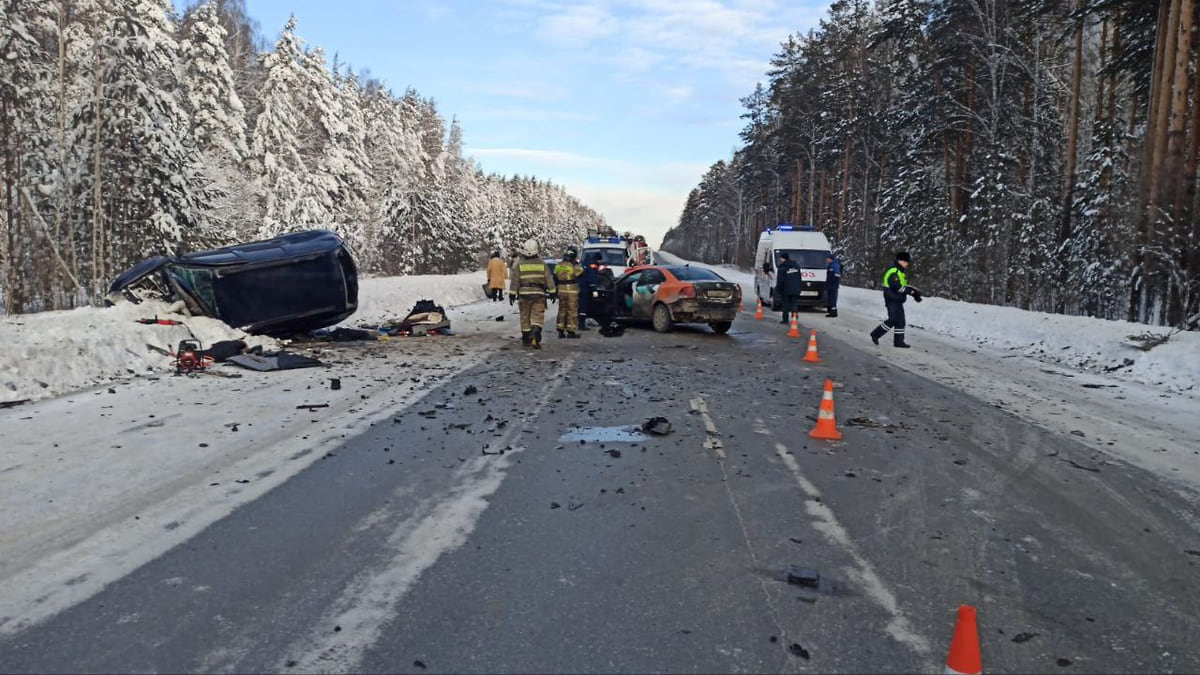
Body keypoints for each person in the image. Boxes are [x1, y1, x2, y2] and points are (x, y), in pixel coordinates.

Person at [509, 239, 556, 349]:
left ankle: (526, 339)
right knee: (537, 316)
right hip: (538, 294)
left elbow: (515, 280)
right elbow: (548, 279)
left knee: (525, 316)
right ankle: (535, 336)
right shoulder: (541, 263)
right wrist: (553, 292)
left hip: (524, 294)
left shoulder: (519, 263)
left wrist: (512, 294)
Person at [869, 251, 922, 348]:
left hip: (897, 300)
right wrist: (911, 292)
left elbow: (902, 286)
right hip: (892, 299)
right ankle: (875, 334)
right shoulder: (894, 271)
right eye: (906, 261)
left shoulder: (899, 271)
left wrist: (913, 292)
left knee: (901, 321)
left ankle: (898, 341)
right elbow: (897, 287)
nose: (907, 264)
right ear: (900, 261)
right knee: (893, 320)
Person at [553, 247, 583, 338]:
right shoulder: (574, 266)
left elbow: (555, 276)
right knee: (572, 311)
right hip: (572, 291)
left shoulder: (559, 265)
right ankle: (571, 331)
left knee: (562, 310)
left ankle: (560, 331)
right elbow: (580, 273)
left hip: (561, 290)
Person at [578, 252, 604, 330]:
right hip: (586, 288)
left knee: (580, 306)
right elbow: (592, 277)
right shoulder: (593, 265)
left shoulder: (585, 263)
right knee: (583, 307)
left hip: (580, 287)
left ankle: (580, 323)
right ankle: (581, 325)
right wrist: (594, 289)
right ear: (597, 259)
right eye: (600, 260)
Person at [775, 251, 802, 324]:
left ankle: (785, 319)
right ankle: (794, 318)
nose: (780, 259)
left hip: (786, 289)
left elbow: (780, 280)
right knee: (794, 304)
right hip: (795, 289)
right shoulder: (796, 266)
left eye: (781, 258)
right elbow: (800, 278)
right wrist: (799, 287)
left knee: (785, 305)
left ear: (784, 258)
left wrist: (778, 289)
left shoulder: (782, 268)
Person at [825, 253, 842, 317]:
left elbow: (837, 275)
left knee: (832, 299)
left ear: (831, 259)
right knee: (830, 298)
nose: (826, 260)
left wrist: (832, 282)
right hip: (830, 285)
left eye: (828, 258)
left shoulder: (835, 265)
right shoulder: (830, 265)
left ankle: (833, 312)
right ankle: (831, 311)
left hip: (833, 286)